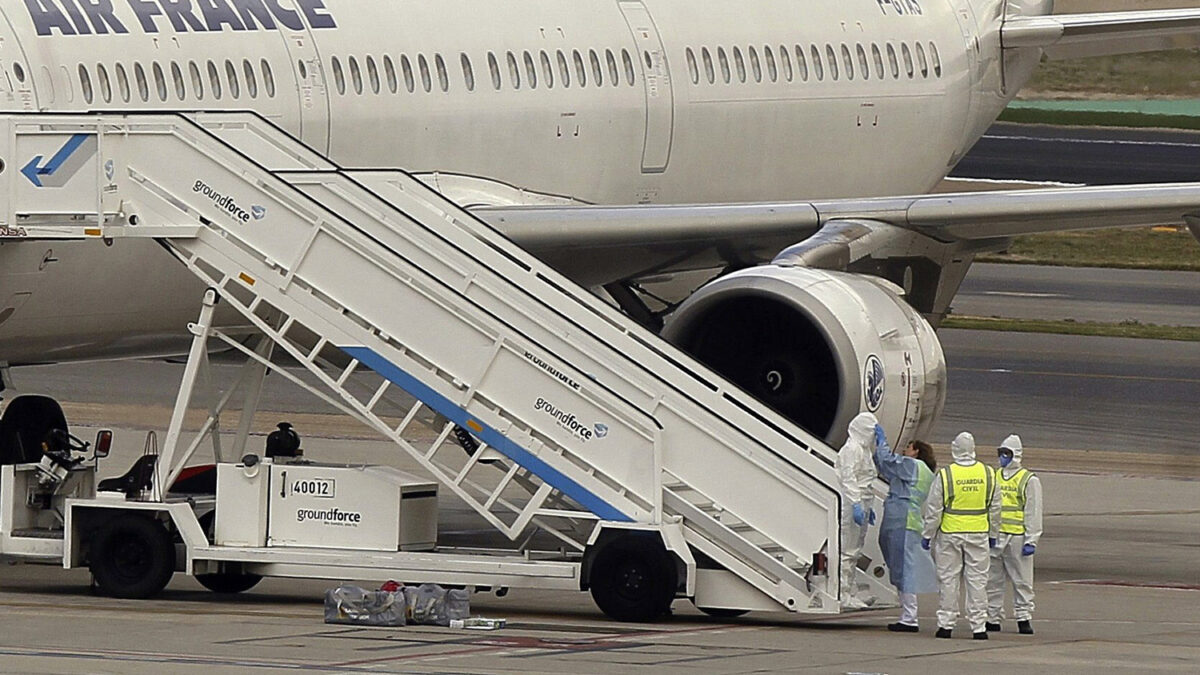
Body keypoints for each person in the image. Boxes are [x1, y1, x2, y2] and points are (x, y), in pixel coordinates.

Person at [921, 431, 1001, 639]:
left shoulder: (946, 475)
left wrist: (928, 534)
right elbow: (995, 508)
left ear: (955, 449)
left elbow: (934, 509)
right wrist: (993, 533)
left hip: (950, 534)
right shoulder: (988, 474)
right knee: (978, 581)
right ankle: (979, 627)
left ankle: (946, 625)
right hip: (978, 533)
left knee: (948, 579)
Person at [873, 430, 938, 632]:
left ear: (916, 452)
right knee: (902, 566)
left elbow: (888, 462)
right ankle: (907, 614)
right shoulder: (925, 471)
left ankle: (910, 617)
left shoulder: (912, 466)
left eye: (908, 448)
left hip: (902, 518)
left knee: (904, 568)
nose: (904, 450)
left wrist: (882, 443)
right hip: (908, 518)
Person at [986, 434, 1043, 635]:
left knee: (1022, 581)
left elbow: (1033, 511)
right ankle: (992, 617)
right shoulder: (994, 476)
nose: (1002, 457)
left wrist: (1032, 539)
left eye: (1006, 453)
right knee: (992, 580)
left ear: (1016, 455)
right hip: (997, 536)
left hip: (1018, 538)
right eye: (1001, 453)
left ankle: (1023, 617)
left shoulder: (1028, 479)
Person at [835, 412, 879, 609]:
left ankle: (850, 590)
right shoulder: (852, 449)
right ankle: (843, 593)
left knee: (855, 549)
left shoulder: (863, 450)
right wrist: (856, 503)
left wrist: (867, 507)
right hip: (854, 502)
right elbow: (848, 478)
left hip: (862, 500)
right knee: (848, 549)